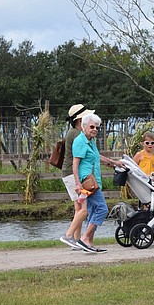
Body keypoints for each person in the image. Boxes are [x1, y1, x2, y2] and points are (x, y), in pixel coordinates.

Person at [71, 111, 124, 253]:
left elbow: (97, 156)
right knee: (102, 209)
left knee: (93, 210)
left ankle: (89, 243)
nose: (95, 130)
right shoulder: (80, 141)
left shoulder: (90, 141)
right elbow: (75, 164)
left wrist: (114, 163)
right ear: (83, 127)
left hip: (94, 181)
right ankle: (84, 238)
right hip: (86, 181)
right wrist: (77, 184)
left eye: (97, 127)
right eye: (92, 127)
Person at [59, 104, 90, 249]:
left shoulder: (73, 132)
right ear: (79, 119)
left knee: (79, 207)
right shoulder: (77, 134)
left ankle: (76, 240)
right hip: (73, 175)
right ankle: (69, 235)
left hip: (69, 173)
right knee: (85, 207)